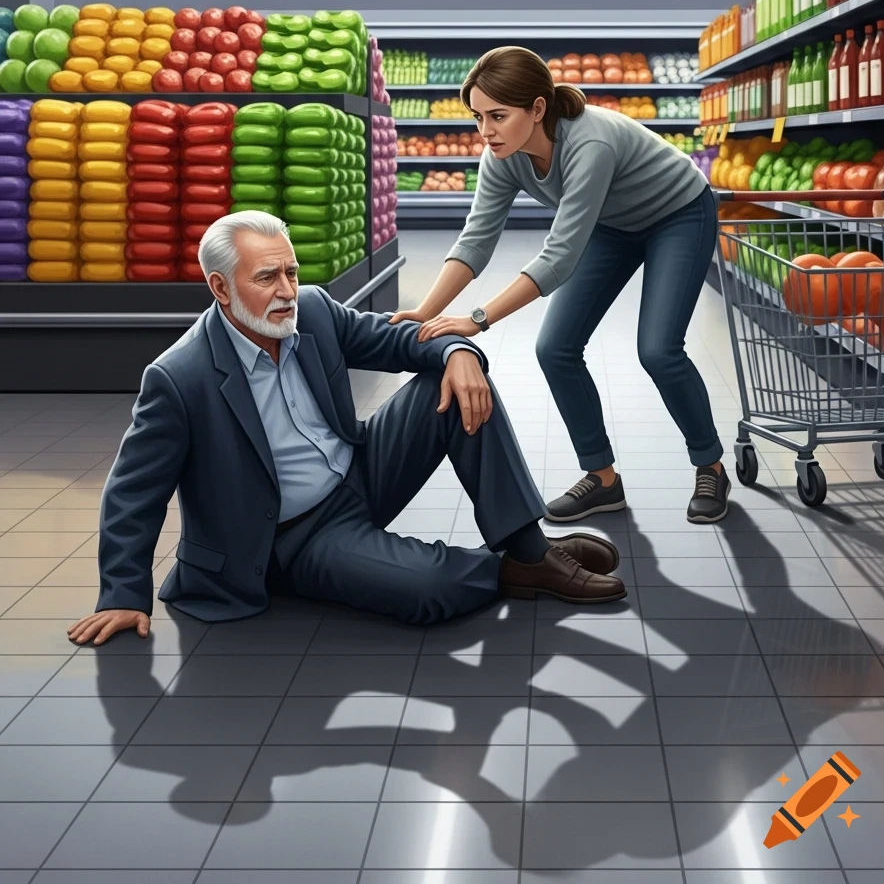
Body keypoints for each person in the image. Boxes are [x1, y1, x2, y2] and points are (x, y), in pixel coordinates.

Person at [67, 210, 625, 648]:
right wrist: (122, 594)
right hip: (296, 535)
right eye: (267, 278)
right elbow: (133, 492)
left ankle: (530, 549)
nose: (287, 290)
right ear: (220, 288)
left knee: (452, 382)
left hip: (360, 471)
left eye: (290, 271)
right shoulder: (179, 377)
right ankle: (512, 568)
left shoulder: (311, 309)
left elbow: (396, 340)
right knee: (429, 593)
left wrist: (458, 349)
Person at [391, 46, 728, 525]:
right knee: (556, 349)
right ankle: (603, 480)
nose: (485, 132)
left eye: (498, 116)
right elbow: (476, 242)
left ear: (538, 109)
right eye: (478, 117)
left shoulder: (591, 142)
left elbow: (559, 256)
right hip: (613, 225)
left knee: (658, 349)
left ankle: (710, 465)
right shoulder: (502, 156)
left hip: (677, 213)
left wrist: (478, 319)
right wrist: (426, 311)